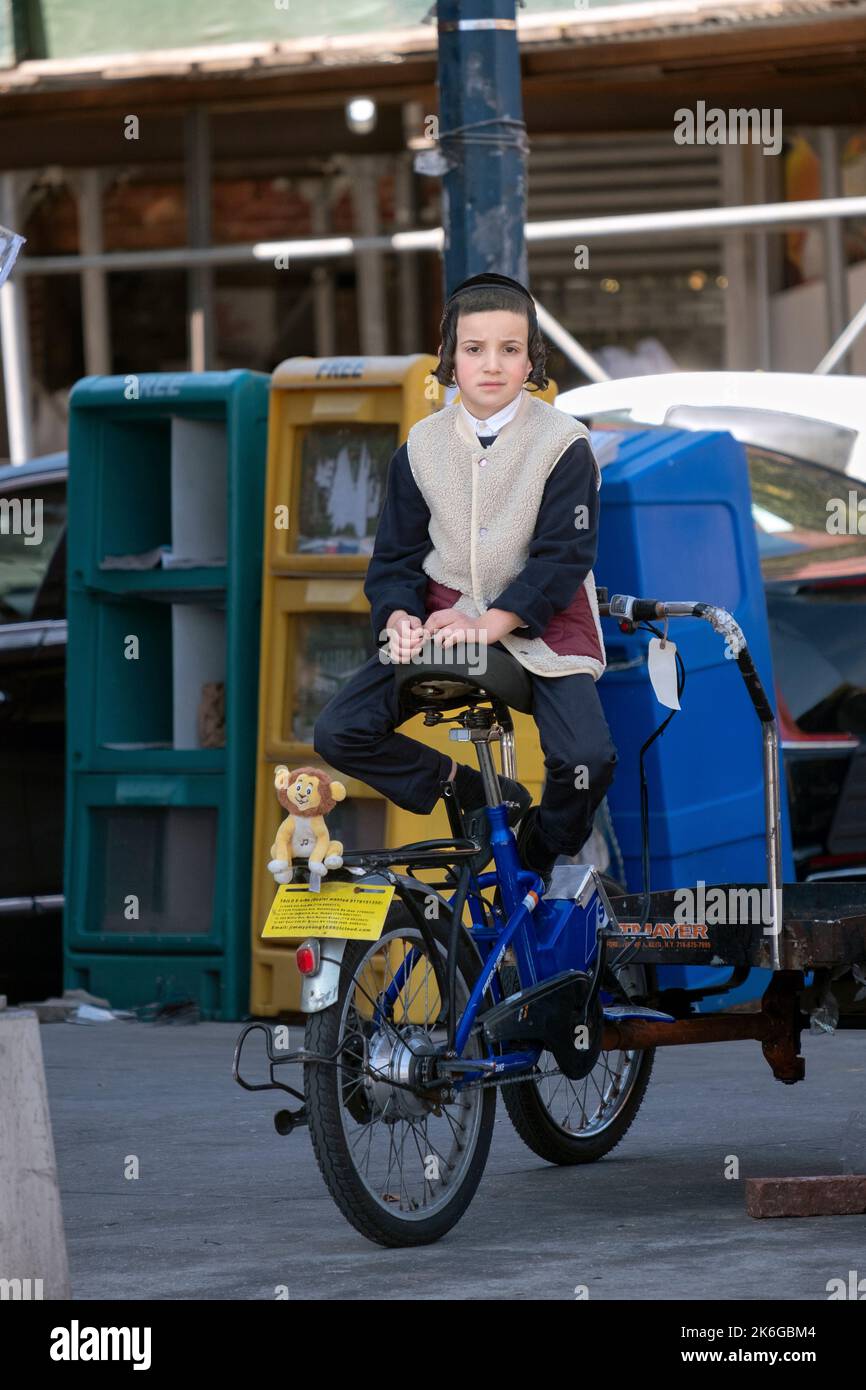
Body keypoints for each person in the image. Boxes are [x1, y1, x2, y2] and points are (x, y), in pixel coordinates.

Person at [313, 271, 617, 882]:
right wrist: (398, 616)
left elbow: (564, 556)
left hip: (542, 626)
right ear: (449, 357)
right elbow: (395, 559)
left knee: (587, 759)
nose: (492, 364)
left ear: (532, 358)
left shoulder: (565, 444)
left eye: (511, 348)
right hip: (441, 618)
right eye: (474, 348)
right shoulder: (420, 447)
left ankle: (536, 849)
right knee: (339, 731)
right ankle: (469, 788)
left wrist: (491, 622)